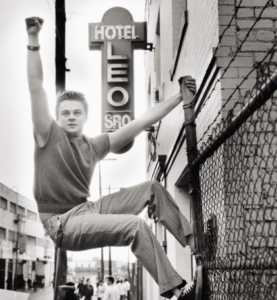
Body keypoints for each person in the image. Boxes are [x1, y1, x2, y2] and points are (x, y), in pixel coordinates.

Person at [25, 16, 202, 300]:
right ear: (56, 118)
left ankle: (196, 243)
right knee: (135, 226)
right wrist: (33, 39)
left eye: (77, 113)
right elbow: (36, 88)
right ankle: (179, 291)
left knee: (152, 188)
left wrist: (179, 98)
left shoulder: (94, 145)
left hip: (87, 210)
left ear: (85, 117)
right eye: (65, 113)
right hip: (62, 224)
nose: (71, 117)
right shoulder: (47, 135)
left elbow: (141, 122)